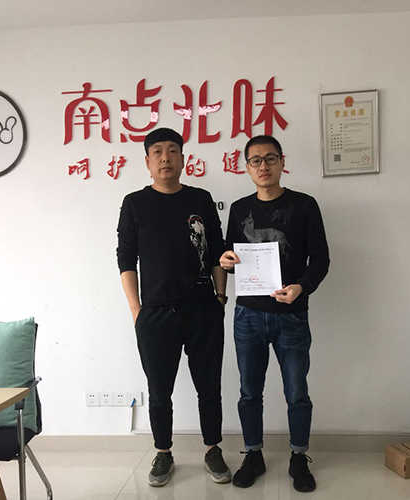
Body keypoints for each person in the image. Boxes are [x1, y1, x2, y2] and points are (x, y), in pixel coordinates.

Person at [117, 128, 231, 487]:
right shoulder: (135, 203)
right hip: (155, 314)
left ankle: (213, 448)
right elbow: (125, 259)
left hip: (203, 310)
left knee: (209, 386)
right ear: (147, 162)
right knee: (159, 390)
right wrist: (136, 311)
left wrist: (220, 297)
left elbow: (217, 252)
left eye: (172, 151)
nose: (165, 158)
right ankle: (163, 452)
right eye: (157, 152)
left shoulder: (201, 198)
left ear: (183, 158)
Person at [220, 135, 330, 492]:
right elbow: (231, 255)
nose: (263, 166)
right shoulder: (239, 209)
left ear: (282, 162)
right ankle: (253, 454)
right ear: (246, 167)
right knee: (249, 391)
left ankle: (299, 456)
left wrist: (301, 287)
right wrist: (226, 261)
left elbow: (321, 259)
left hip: (291, 313)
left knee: (296, 391)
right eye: (255, 160)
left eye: (270, 158)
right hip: (248, 315)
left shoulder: (304, 205)